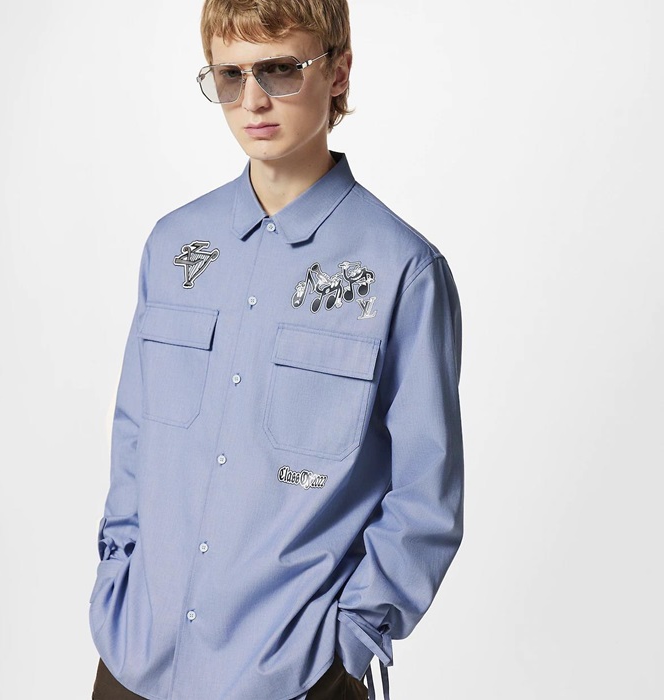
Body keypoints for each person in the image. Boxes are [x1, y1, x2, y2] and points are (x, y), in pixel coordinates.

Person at [88, 1, 465, 699]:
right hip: (136, 657)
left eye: (281, 69)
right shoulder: (174, 247)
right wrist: (116, 576)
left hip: (290, 676)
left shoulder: (403, 271)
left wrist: (348, 642)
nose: (252, 100)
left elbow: (425, 496)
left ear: (339, 72)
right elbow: (135, 439)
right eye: (229, 77)